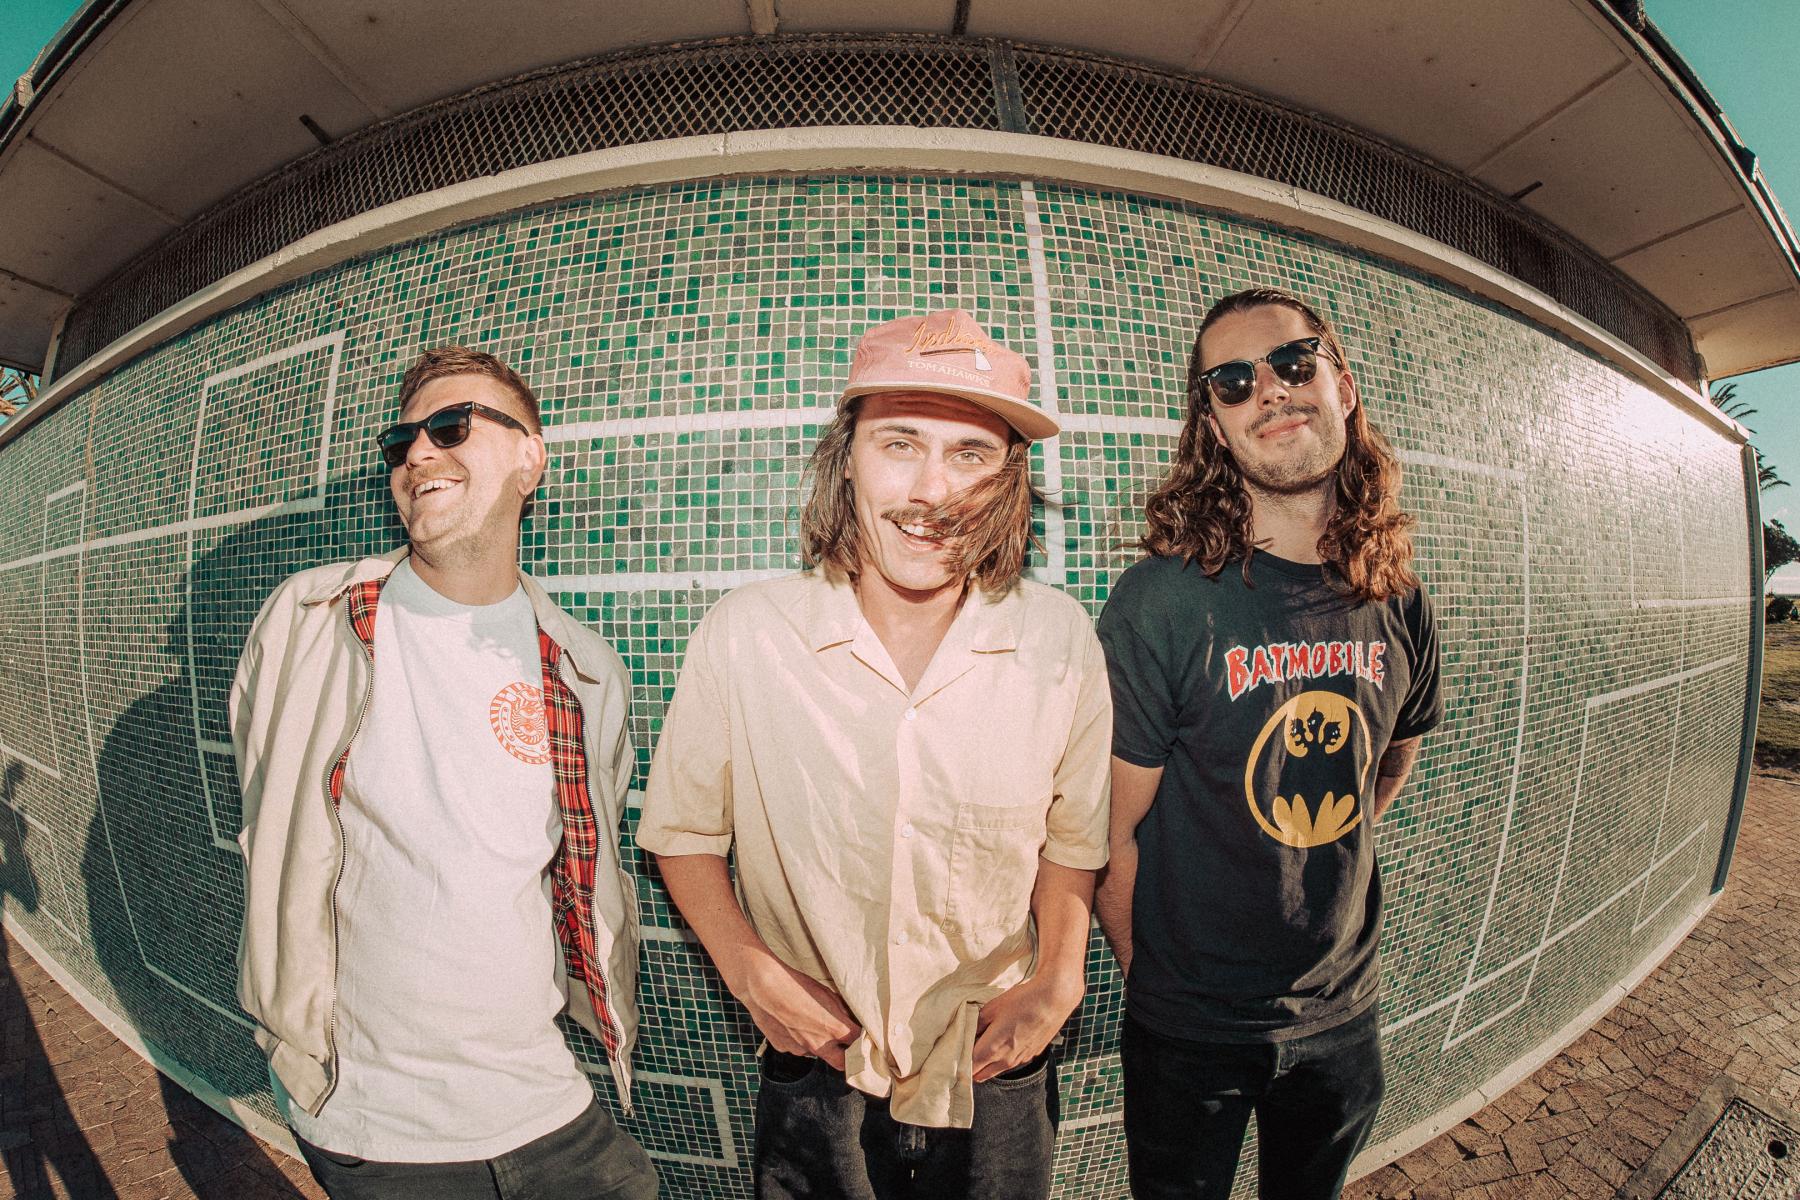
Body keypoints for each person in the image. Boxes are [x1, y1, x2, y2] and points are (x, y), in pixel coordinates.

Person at [637, 309, 1111, 1199]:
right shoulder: (746, 634)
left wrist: (1058, 977)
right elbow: (683, 835)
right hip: (818, 1063)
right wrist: (752, 974)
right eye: (900, 443)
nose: (932, 490)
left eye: (971, 454)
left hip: (993, 1062)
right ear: (847, 456)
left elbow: (1073, 839)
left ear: (1009, 479)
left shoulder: (1061, 639)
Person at [229, 347, 657, 1199]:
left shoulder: (586, 671)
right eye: (402, 441)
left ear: (530, 459)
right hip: (369, 1126)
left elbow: (580, 879)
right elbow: (268, 814)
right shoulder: (309, 622)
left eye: (452, 426)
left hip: (551, 1111)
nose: (418, 452)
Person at [1095, 287, 1442, 1198]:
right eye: (1234, 381)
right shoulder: (1162, 603)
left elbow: (1393, 751)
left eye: (1293, 362)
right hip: (1189, 1035)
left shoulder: (1398, 594)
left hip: (1345, 1017)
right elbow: (1107, 832)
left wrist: (1325, 843)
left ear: (1342, 386)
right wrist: (1155, 985)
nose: (1271, 391)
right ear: (1213, 425)